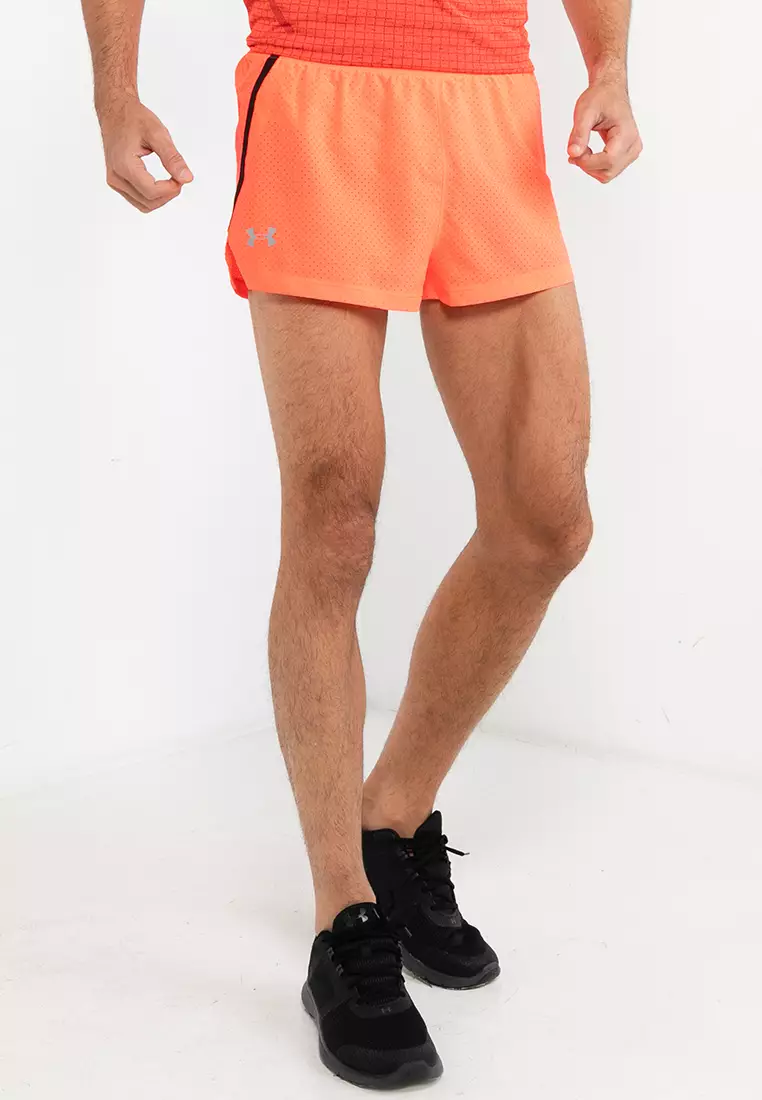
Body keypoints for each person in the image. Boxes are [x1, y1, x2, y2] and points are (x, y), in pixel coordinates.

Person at [81, 0, 642, 1087]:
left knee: (546, 521)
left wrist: (609, 62)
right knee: (334, 517)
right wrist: (115, 91)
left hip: (489, 97)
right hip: (319, 86)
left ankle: (393, 813)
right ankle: (344, 911)